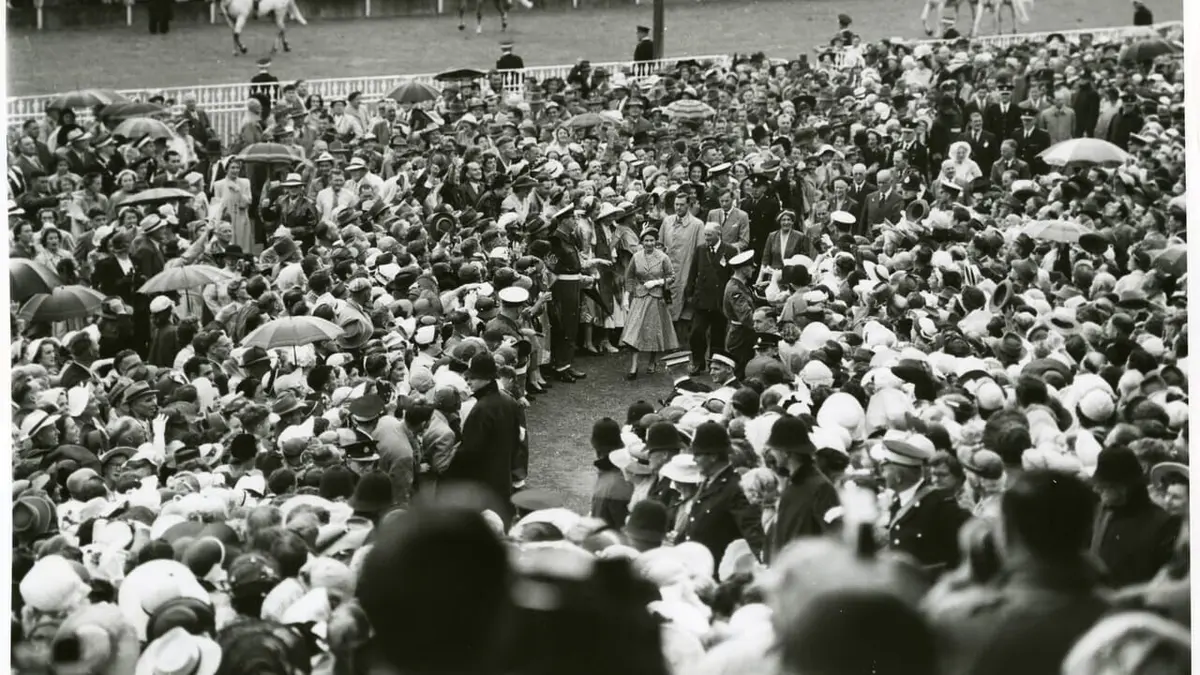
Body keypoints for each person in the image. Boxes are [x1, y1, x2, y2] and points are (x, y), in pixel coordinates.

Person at [442, 353, 523, 521]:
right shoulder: (508, 400)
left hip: (483, 482)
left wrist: (449, 475)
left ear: (486, 378)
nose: (468, 381)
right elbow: (518, 438)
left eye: (473, 377)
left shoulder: (482, 409)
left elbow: (470, 450)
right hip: (503, 476)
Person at [677, 421, 765, 565]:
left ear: (713, 456)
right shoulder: (707, 483)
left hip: (720, 574)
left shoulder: (737, 489)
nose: (694, 459)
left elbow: (754, 536)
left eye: (698, 455)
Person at [621, 227, 678, 379]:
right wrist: (627, 296)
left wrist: (657, 282)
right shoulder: (636, 257)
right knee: (634, 331)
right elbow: (630, 276)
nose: (649, 243)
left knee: (653, 331)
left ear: (656, 241)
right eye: (646, 240)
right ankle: (633, 367)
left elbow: (672, 276)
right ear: (642, 242)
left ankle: (652, 361)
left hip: (656, 297)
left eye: (652, 240)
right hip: (640, 296)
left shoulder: (663, 257)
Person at [684, 222, 735, 375]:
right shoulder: (700, 250)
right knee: (696, 333)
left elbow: (733, 275)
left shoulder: (730, 250)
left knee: (718, 335)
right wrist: (689, 294)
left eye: (709, 235)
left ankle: (714, 364)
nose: (706, 238)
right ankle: (698, 362)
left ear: (718, 234)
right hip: (701, 300)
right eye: (705, 234)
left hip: (720, 301)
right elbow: (693, 273)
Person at [722, 250, 756, 375]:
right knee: (740, 373)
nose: (753, 269)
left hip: (742, 335)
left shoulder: (740, 285)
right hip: (740, 337)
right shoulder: (735, 289)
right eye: (751, 267)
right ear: (743, 269)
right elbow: (747, 317)